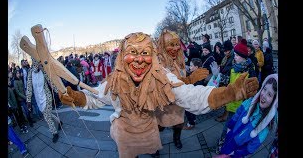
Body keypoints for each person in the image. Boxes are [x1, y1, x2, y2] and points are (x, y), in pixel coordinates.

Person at [55, 32, 258, 158]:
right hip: (124, 132)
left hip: (149, 127)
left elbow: (188, 95)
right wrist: (80, 98)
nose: (138, 60)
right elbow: (97, 97)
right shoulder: (115, 80)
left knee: (155, 148)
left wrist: (227, 93)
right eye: (132, 53)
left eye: (144, 53)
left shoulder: (161, 76)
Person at [155, 29, 209, 153]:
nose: (175, 48)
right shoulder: (158, 63)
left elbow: (181, 80)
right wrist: (190, 78)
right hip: (164, 102)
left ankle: (177, 139)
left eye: (176, 44)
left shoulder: (179, 61)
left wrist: (190, 78)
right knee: (159, 125)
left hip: (179, 102)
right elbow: (164, 82)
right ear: (163, 46)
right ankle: (154, 146)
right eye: (170, 45)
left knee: (178, 122)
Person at [216, 74, 278, 157]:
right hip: (229, 139)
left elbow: (252, 146)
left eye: (269, 94)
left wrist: (235, 154)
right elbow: (237, 115)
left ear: (274, 102)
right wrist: (229, 130)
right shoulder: (250, 102)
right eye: (264, 89)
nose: (264, 95)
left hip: (237, 153)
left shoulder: (265, 125)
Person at [26, 58, 63, 143]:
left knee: (47, 117)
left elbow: (50, 81)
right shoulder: (30, 72)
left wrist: (58, 92)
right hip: (38, 98)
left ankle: (54, 133)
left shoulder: (43, 70)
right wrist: (28, 100)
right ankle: (59, 122)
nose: (38, 66)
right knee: (48, 114)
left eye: (39, 63)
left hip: (47, 96)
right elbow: (29, 87)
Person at [182, 58, 208, 130]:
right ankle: (192, 120)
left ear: (196, 67)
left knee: (189, 110)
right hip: (192, 96)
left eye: (191, 66)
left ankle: (191, 123)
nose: (189, 67)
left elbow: (195, 87)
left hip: (193, 97)